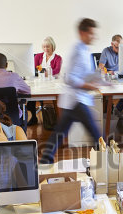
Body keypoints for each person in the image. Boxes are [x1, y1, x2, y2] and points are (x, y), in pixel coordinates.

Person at [39, 18, 102, 164]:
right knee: (95, 132)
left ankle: (44, 161)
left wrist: (102, 81)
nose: (94, 37)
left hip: (75, 100)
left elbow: (86, 74)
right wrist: (88, 86)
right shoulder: (76, 50)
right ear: (82, 32)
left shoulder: (86, 50)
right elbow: (68, 78)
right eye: (91, 33)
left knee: (59, 133)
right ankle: (108, 159)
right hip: (75, 99)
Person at [28, 36, 63, 126]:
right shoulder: (38, 56)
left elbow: (56, 71)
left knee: (54, 98)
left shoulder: (58, 58)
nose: (46, 49)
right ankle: (33, 118)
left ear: (52, 46)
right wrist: (45, 72)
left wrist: (44, 72)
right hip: (39, 82)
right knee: (31, 96)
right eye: (44, 47)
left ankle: (54, 120)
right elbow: (35, 68)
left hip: (52, 83)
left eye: (48, 46)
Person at [99, 34, 123, 120]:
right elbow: (101, 68)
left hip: (121, 76)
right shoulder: (106, 51)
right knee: (107, 92)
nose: (118, 50)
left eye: (120, 47)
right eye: (116, 47)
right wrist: (108, 72)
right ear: (112, 44)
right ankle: (107, 110)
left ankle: (118, 109)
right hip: (110, 76)